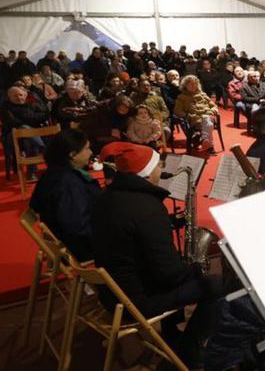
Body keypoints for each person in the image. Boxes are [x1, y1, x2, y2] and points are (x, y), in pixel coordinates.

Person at [91, 142, 222, 368]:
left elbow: (131, 234)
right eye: (158, 165)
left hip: (111, 292)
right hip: (136, 300)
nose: (161, 169)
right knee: (217, 285)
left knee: (180, 270)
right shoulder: (148, 207)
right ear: (146, 171)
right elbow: (169, 275)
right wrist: (194, 269)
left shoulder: (106, 197)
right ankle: (188, 350)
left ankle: (170, 335)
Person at [29, 128, 100, 261]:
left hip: (64, 240)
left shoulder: (51, 173)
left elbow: (35, 205)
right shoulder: (69, 184)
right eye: (87, 148)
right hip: (80, 249)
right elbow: (78, 227)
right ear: (72, 154)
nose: (91, 152)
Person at [174, 75, 219, 153]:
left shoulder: (203, 94)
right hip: (195, 119)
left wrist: (213, 110)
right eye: (191, 84)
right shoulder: (181, 97)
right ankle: (209, 145)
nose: (193, 86)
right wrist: (187, 116)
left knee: (207, 119)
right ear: (185, 85)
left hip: (208, 115)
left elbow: (213, 106)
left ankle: (204, 139)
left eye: (195, 84)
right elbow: (177, 111)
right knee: (209, 124)